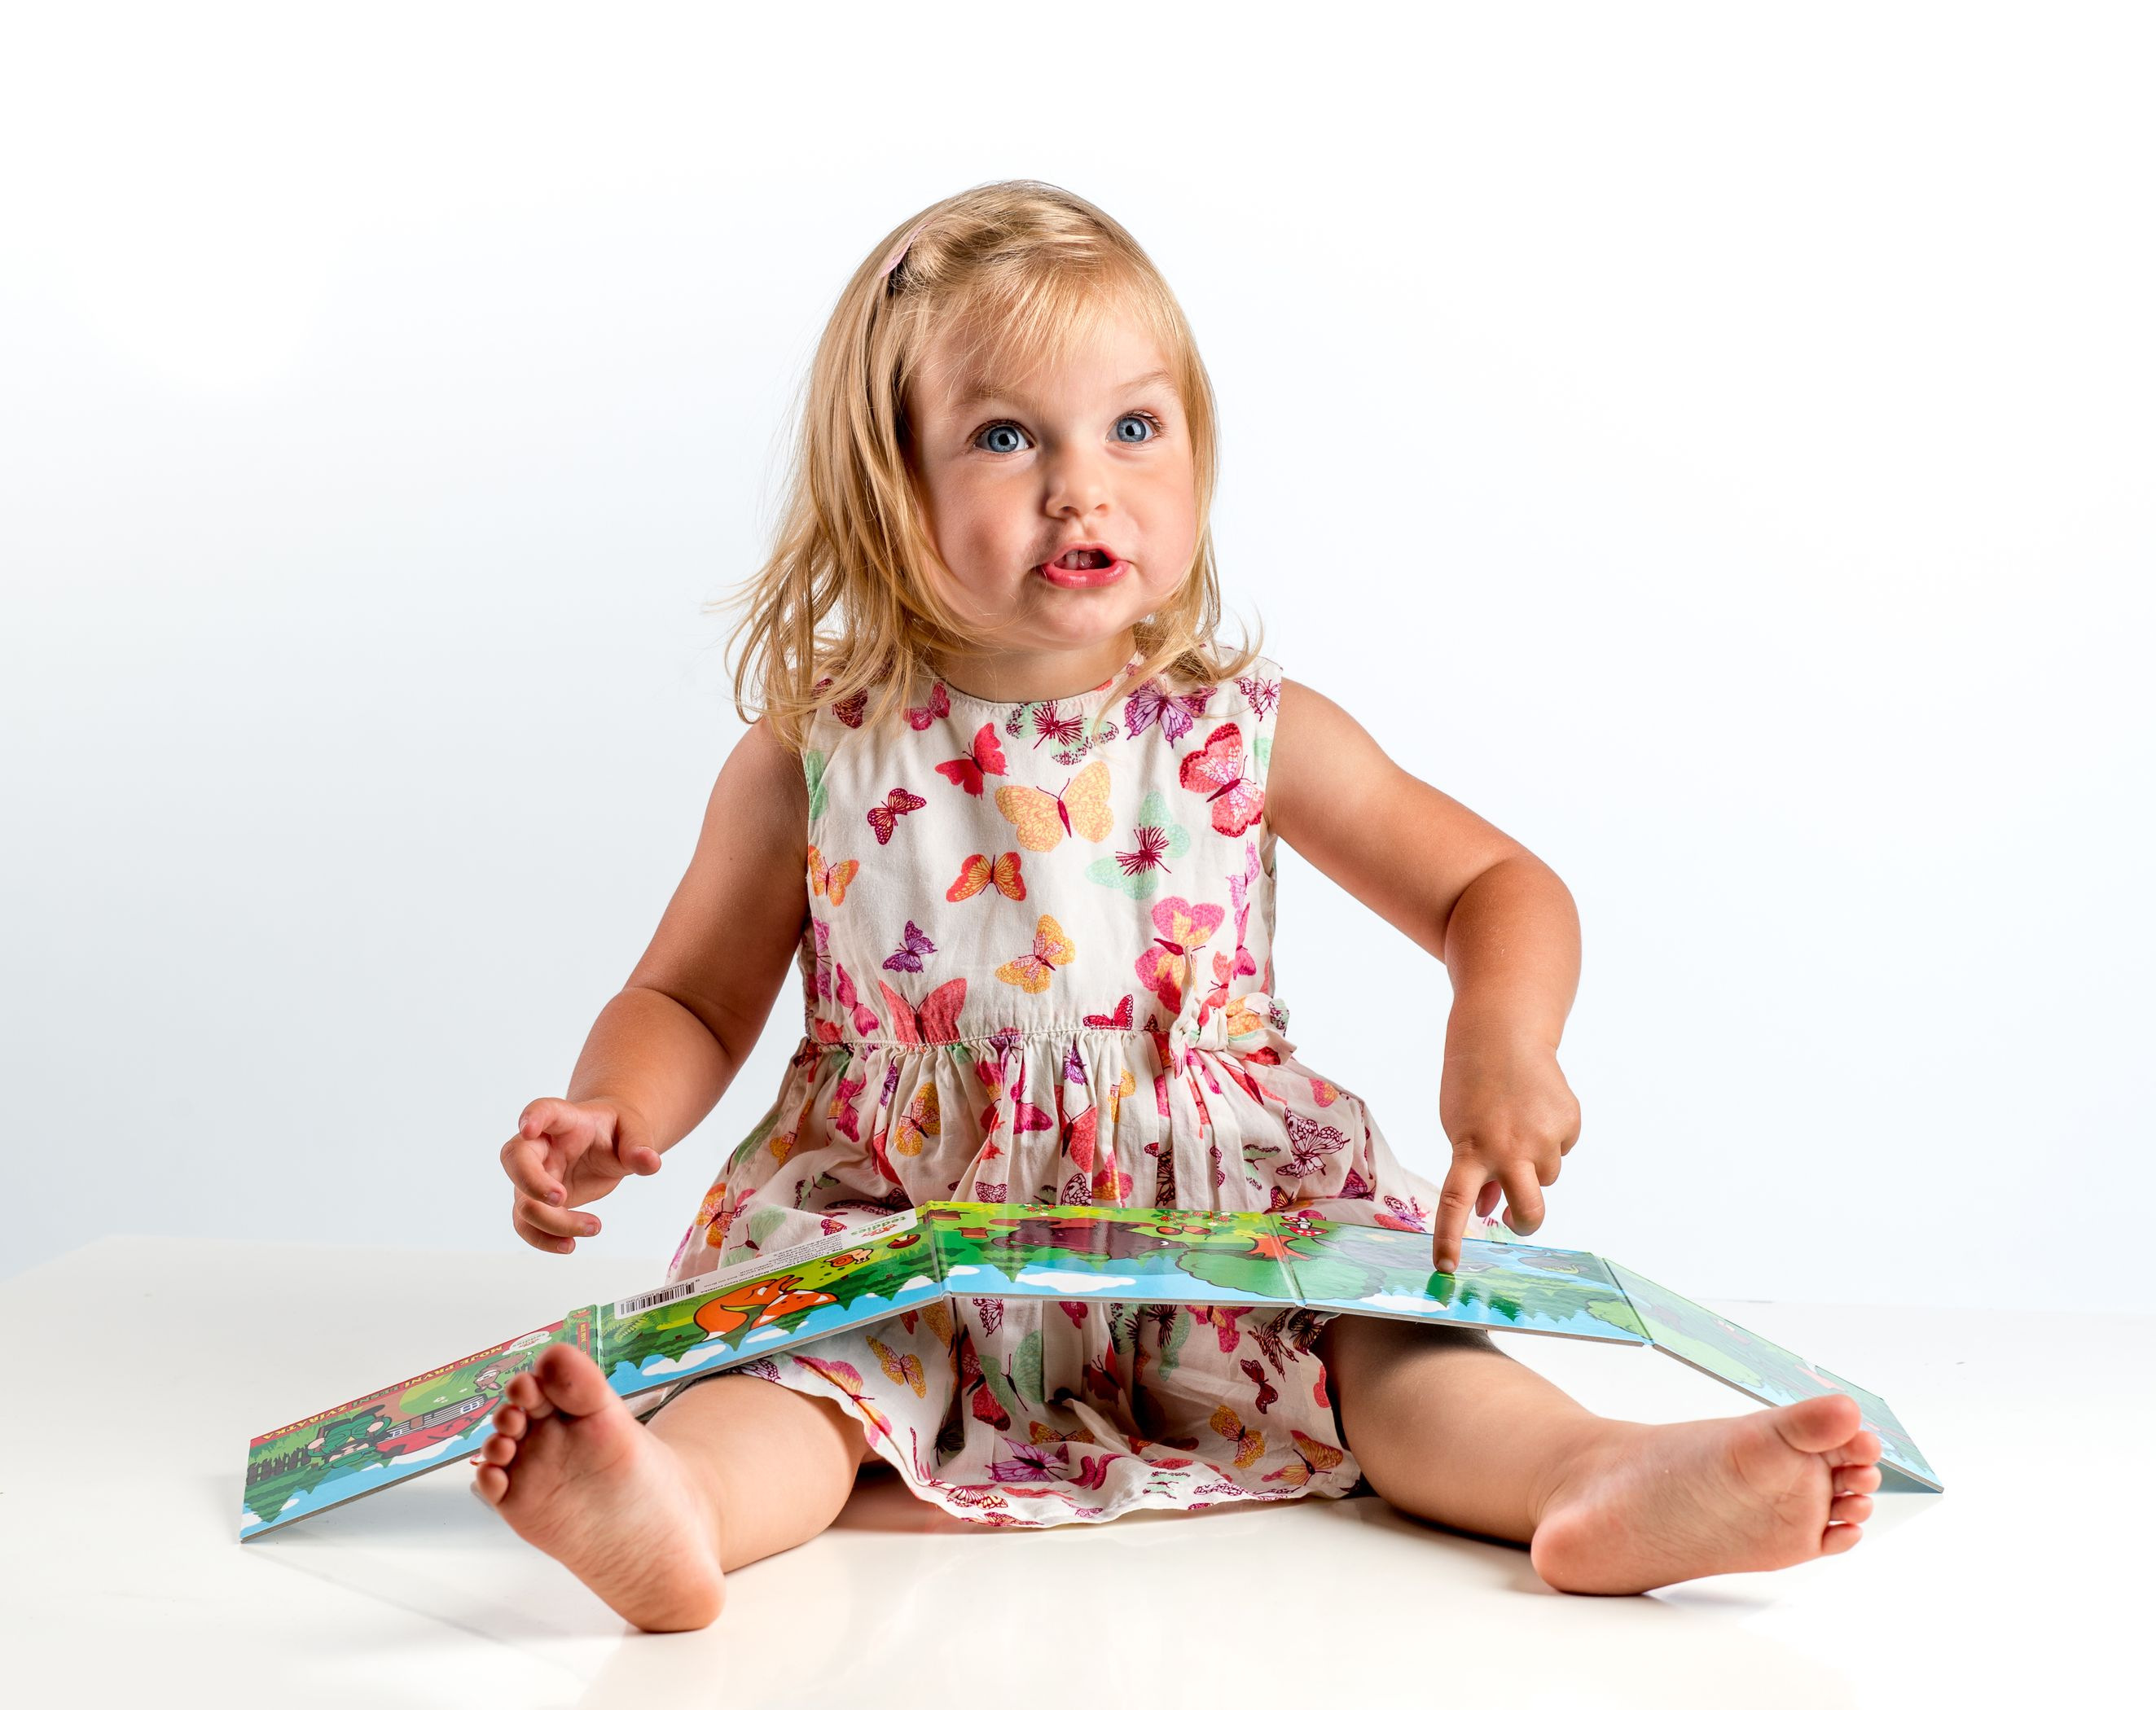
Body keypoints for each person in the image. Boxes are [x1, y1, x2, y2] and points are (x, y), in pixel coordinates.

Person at [476, 181, 1883, 1631]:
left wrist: (1505, 1045)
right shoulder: (818, 756)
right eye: (1007, 436)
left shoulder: (1246, 732)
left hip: (1215, 1216)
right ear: (890, 481)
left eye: (1134, 427)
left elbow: (1493, 884)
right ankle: (681, 1506)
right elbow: (691, 996)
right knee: (808, 1382)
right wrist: (611, 1109)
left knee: (1383, 1349)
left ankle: (1591, 1476)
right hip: (909, 1231)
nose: (1081, 487)